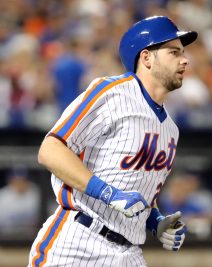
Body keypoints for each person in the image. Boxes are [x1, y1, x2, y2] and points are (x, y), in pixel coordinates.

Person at [28, 16, 197, 267]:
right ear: (147, 58)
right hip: (78, 242)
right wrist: (108, 194)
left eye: (183, 52)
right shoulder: (111, 92)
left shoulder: (171, 129)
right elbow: (50, 150)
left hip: (128, 253)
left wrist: (155, 221)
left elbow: (136, 193)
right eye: (174, 52)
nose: (184, 60)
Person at [0, 167, 40, 236]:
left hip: (31, 238)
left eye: (23, 180)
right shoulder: (3, 196)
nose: (20, 183)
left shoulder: (35, 193)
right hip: (7, 238)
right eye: (16, 179)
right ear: (10, 180)